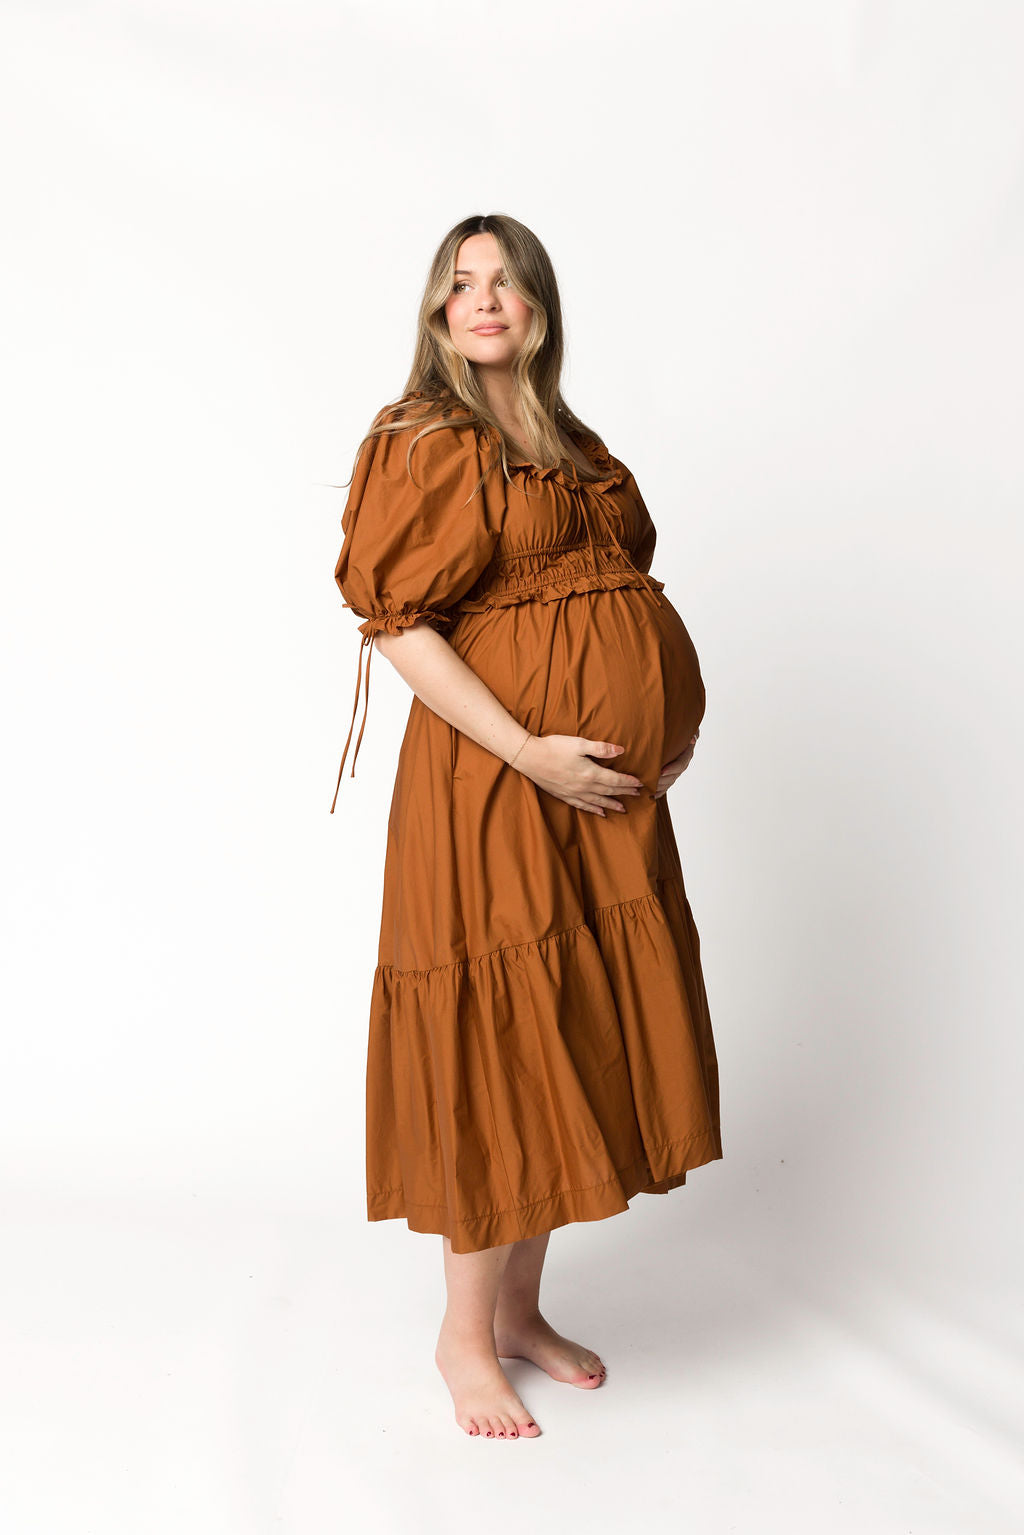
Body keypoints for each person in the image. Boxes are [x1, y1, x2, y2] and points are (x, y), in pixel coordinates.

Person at [330, 213, 722, 1440]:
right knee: (500, 1044)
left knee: (567, 1028)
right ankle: (461, 1335)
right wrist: (527, 749)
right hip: (494, 781)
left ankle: (518, 1311)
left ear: (539, 307)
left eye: (505, 281)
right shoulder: (421, 440)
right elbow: (397, 625)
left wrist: (661, 724)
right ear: (438, 311)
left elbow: (620, 592)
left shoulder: (574, 445)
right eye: (462, 282)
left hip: (595, 797)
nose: (484, 298)